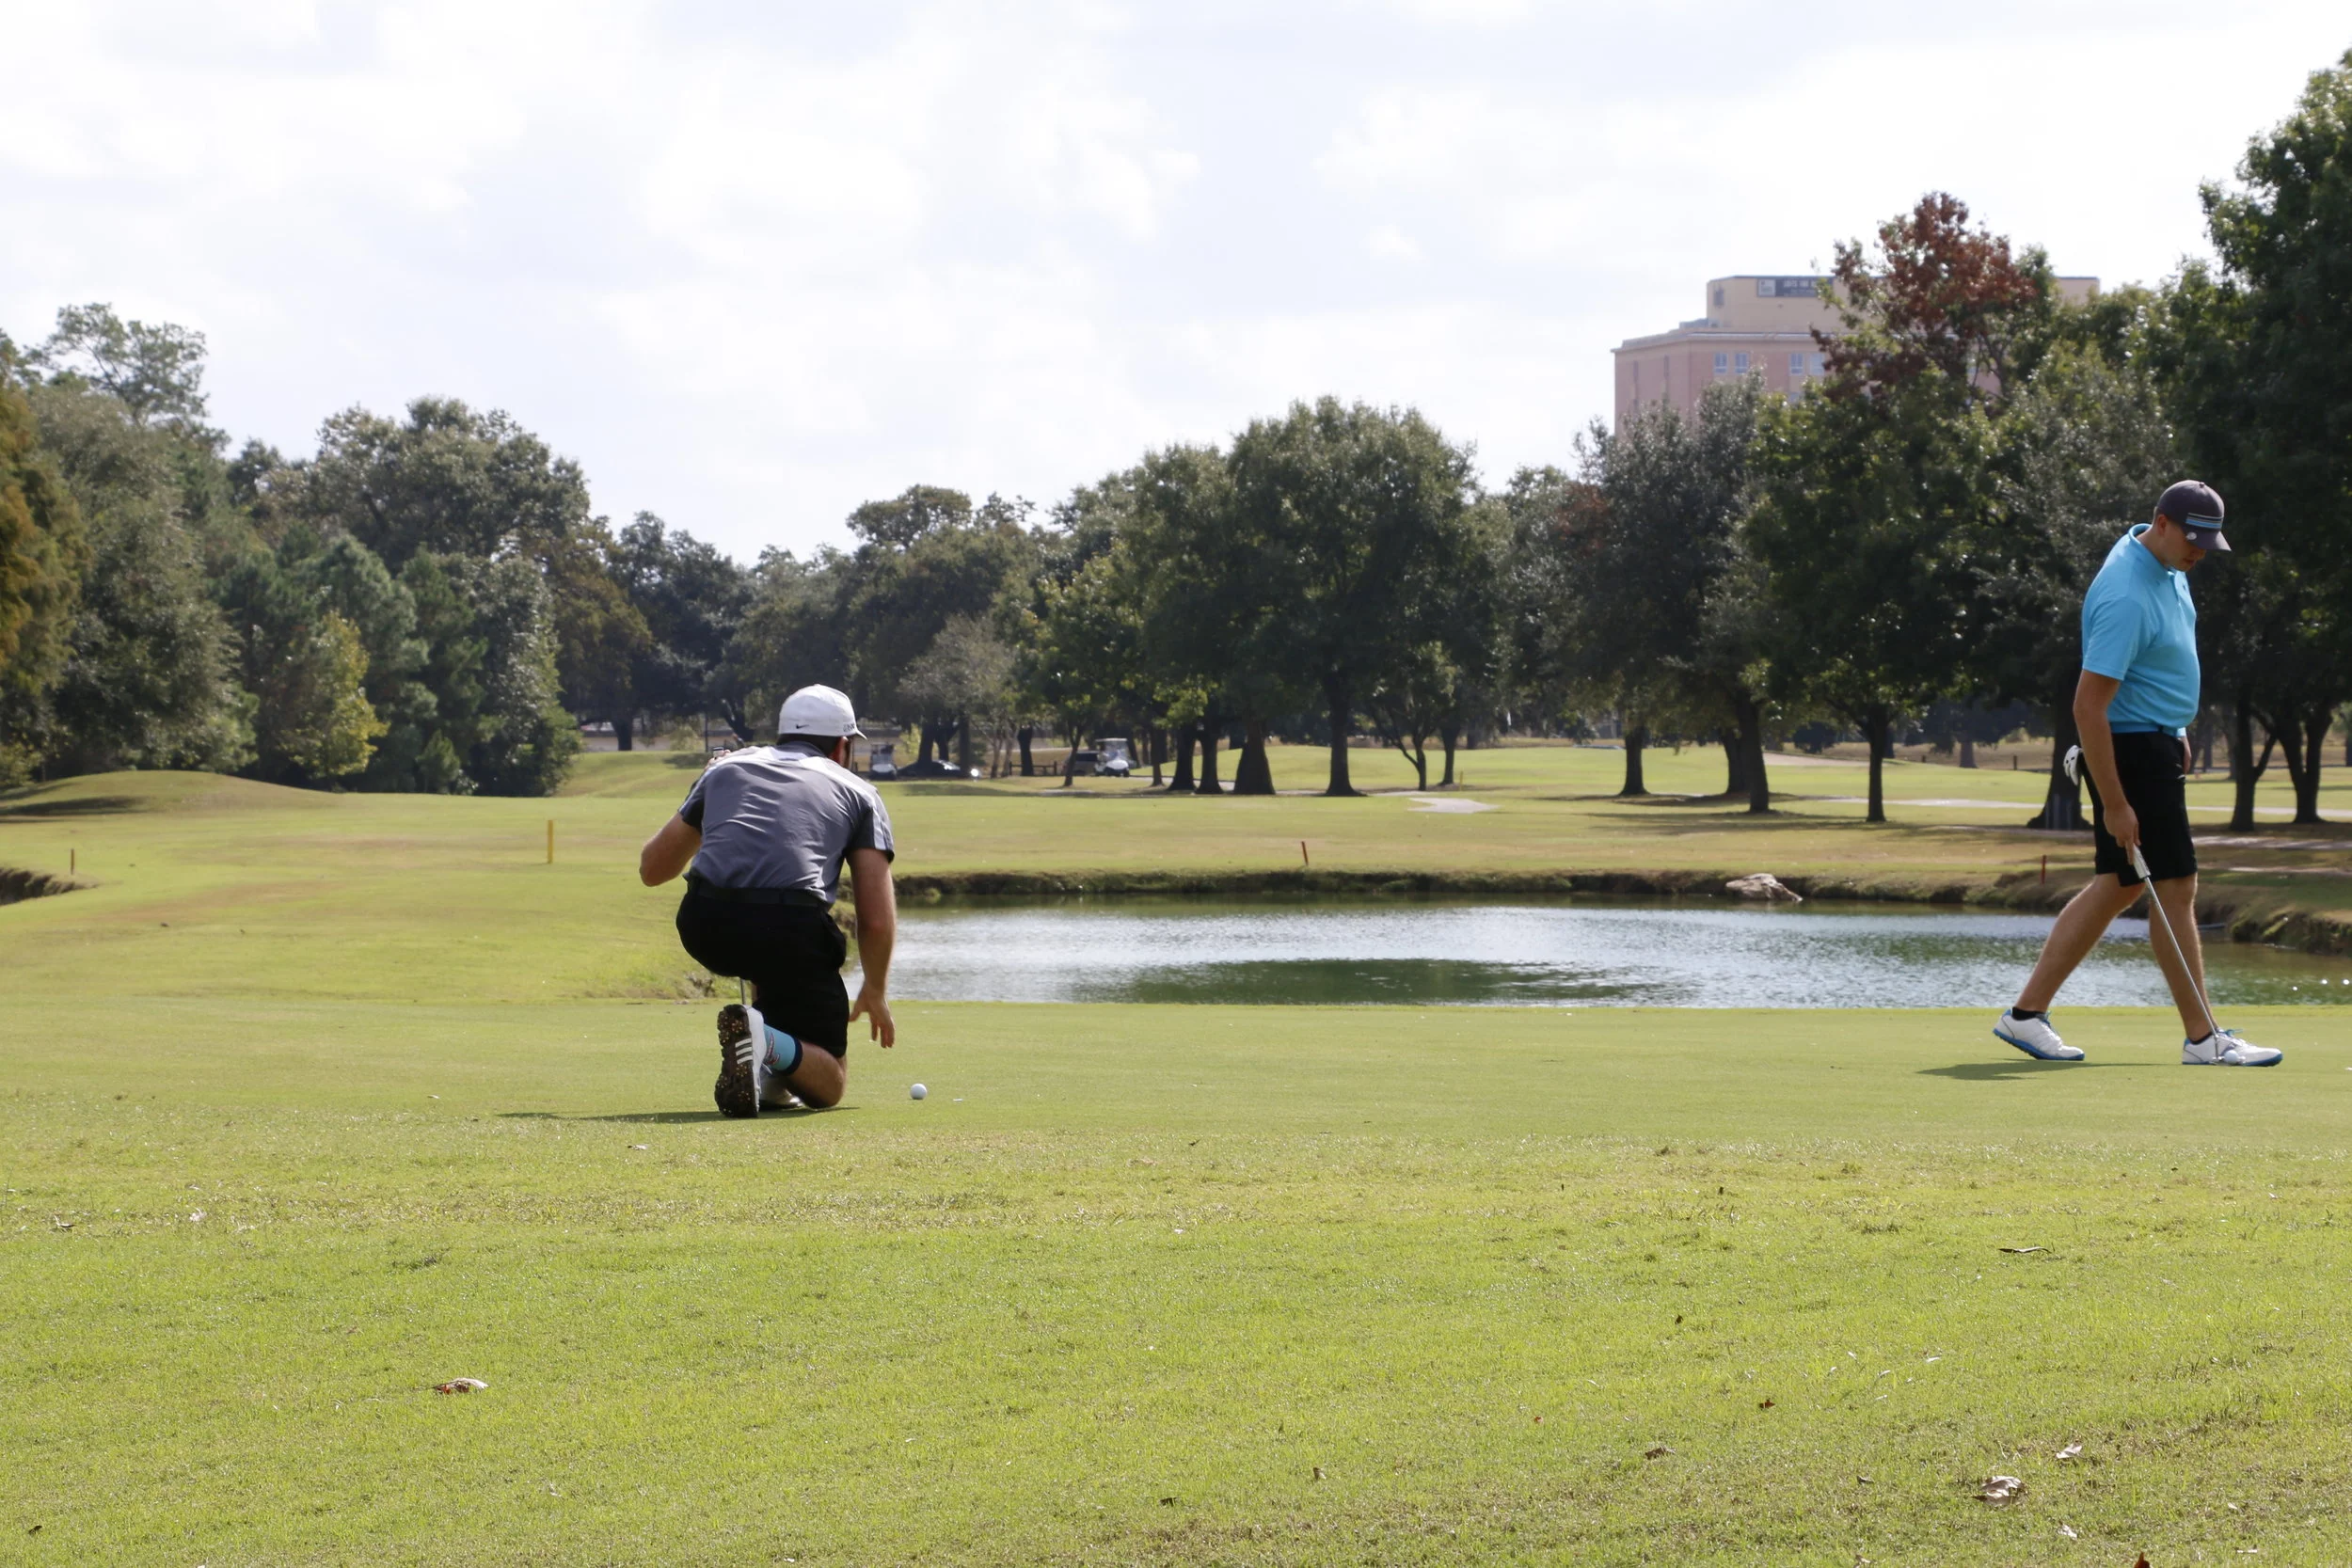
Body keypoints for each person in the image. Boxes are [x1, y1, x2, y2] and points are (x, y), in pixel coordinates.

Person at [1994, 482, 2280, 1067]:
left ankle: (2025, 1016)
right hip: (2129, 752)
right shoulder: (2125, 590)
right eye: (2192, 539)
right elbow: (2087, 707)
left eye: (2207, 542)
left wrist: (2175, 731)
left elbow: (2160, 665)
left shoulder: (2169, 565)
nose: (2199, 552)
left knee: (2120, 883)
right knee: (2175, 888)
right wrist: (2115, 802)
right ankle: (2204, 1039)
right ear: (2162, 522)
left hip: (2154, 744)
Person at [638, 684, 899, 1116]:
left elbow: (653, 870)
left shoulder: (723, 770)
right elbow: (874, 920)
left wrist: (710, 792)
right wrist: (875, 988)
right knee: (831, 1081)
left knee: (770, 961)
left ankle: (769, 1077)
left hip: (704, 924)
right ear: (842, 746)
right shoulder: (860, 792)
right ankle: (765, 1042)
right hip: (786, 930)